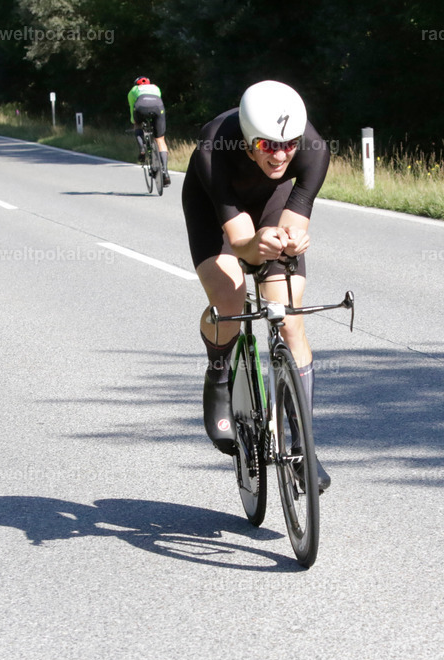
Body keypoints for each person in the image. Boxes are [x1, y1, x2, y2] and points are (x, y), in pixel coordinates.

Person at [181, 80, 331, 492]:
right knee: (229, 297)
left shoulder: (313, 151)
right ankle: (218, 372)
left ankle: (304, 445)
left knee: (289, 319)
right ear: (248, 143)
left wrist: (292, 240)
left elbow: (294, 224)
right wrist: (255, 246)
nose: (281, 154)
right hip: (215, 206)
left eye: (289, 144)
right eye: (267, 146)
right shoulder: (215, 147)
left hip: (272, 202)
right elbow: (244, 245)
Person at [128, 76, 170, 187]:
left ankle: (142, 148)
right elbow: (156, 102)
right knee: (160, 139)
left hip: (140, 106)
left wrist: (135, 123)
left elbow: (133, 109)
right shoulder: (156, 88)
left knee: (137, 124)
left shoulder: (133, 91)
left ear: (137, 84)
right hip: (157, 107)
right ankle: (165, 171)